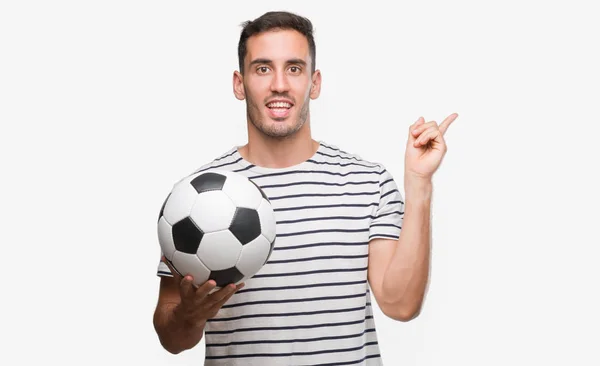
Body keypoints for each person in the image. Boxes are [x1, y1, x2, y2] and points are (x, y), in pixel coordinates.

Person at [153, 10, 457, 365]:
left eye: (294, 68)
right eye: (263, 68)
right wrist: (189, 314)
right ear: (240, 83)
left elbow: (400, 304)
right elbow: (171, 339)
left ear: (314, 83)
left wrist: (419, 183)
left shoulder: (368, 183)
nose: (279, 84)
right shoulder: (196, 198)